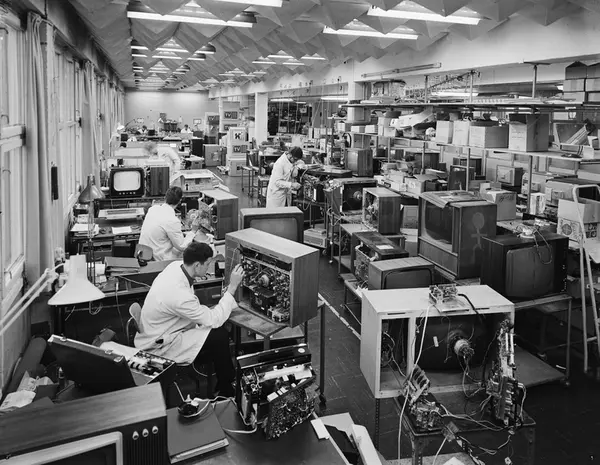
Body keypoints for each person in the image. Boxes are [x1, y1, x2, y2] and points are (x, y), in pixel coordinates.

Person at [135, 242, 245, 397]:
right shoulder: (179, 295)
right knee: (219, 335)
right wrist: (232, 287)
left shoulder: (176, 267)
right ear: (197, 265)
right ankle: (226, 389)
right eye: (207, 264)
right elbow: (214, 320)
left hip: (160, 329)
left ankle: (224, 382)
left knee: (214, 330)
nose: (209, 267)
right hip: (160, 346)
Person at [139, 186, 198, 261]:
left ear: (165, 198)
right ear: (180, 201)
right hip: (158, 260)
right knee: (189, 253)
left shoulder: (152, 209)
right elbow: (182, 246)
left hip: (143, 255)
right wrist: (193, 231)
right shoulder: (172, 220)